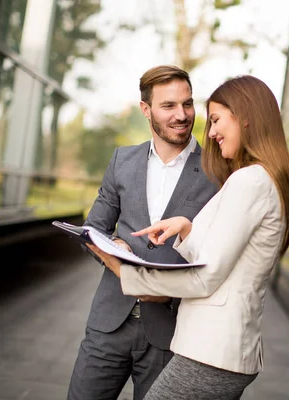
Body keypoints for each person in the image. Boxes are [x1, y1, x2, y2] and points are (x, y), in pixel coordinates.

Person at [91, 75, 289, 400]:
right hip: (216, 348)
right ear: (146, 110)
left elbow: (205, 278)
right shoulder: (260, 178)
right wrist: (187, 230)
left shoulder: (248, 181)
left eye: (216, 120)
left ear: (245, 117)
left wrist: (127, 273)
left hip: (213, 349)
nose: (211, 131)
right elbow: (227, 253)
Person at [67, 65, 219, 400]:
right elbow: (93, 230)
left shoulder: (217, 170)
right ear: (146, 110)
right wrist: (114, 248)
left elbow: (218, 252)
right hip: (108, 322)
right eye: (168, 106)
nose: (182, 115)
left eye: (188, 104)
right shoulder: (123, 161)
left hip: (172, 332)